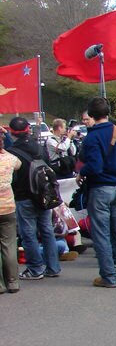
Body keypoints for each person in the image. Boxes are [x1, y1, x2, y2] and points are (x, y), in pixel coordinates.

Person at [77, 98, 116, 287]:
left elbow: (92, 165)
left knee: (101, 233)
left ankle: (108, 277)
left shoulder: (92, 137)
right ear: (108, 113)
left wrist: (81, 173)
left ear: (91, 115)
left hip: (100, 188)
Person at [7, 117, 62, 281]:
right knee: (46, 230)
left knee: (28, 234)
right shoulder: (38, 147)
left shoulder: (11, 152)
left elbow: (13, 177)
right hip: (43, 194)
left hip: (23, 195)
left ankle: (35, 268)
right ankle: (53, 267)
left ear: (11, 132)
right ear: (28, 131)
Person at [0, 135, 21, 293]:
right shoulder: (10, 159)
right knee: (9, 245)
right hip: (8, 207)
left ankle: (0, 284)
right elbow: (19, 165)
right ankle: (13, 281)